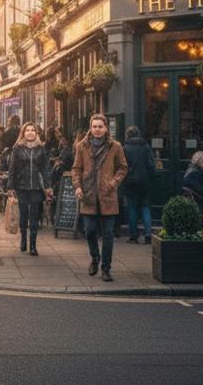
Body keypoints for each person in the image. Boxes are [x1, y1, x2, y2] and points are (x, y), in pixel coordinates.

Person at [72, 114, 128, 282]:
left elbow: (123, 168)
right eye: (94, 126)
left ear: (105, 128)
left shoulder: (115, 146)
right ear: (90, 128)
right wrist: (78, 186)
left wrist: (113, 183)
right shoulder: (81, 146)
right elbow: (76, 169)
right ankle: (95, 257)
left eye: (100, 127)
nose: (97, 129)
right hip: (88, 195)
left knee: (108, 234)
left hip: (107, 195)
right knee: (89, 231)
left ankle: (106, 268)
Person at [7, 121, 54, 256]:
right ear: (23, 133)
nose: (30, 132)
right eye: (27, 130)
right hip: (21, 185)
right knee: (23, 215)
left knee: (34, 215)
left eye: (33, 130)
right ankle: (23, 239)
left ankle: (33, 245)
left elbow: (45, 168)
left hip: (36, 187)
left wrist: (47, 185)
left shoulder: (41, 148)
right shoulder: (18, 148)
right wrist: (10, 186)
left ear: (36, 133)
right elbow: (12, 168)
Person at [122, 125, 156, 244]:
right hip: (145, 182)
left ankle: (133, 236)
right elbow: (151, 164)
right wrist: (152, 176)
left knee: (132, 207)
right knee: (145, 207)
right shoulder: (146, 147)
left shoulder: (125, 148)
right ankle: (148, 234)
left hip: (131, 182)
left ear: (128, 135)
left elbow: (123, 166)